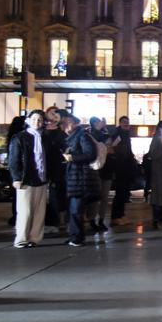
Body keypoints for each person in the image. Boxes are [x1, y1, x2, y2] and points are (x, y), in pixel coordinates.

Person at [8, 110, 50, 248]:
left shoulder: (45, 137)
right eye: (34, 119)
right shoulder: (20, 137)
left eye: (39, 120)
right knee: (25, 210)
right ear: (28, 120)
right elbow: (14, 159)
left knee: (39, 211)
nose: (36, 122)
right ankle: (21, 238)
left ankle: (35, 238)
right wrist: (16, 177)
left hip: (41, 177)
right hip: (26, 179)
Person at [60, 114, 100, 247]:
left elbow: (91, 154)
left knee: (76, 209)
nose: (65, 127)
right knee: (73, 209)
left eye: (67, 123)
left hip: (80, 178)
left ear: (75, 123)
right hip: (74, 178)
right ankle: (74, 235)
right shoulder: (72, 137)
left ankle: (77, 237)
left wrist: (72, 158)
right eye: (63, 124)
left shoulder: (82, 135)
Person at [87, 117, 116, 232]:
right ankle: (92, 219)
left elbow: (111, 149)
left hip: (107, 169)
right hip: (96, 169)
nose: (102, 123)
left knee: (105, 197)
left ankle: (101, 220)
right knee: (96, 196)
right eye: (99, 122)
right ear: (94, 124)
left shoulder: (105, 134)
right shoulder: (90, 135)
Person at [42, 106, 68, 231]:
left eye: (56, 114)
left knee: (57, 194)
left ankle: (58, 220)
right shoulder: (41, 129)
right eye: (51, 113)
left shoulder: (61, 132)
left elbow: (65, 147)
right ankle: (47, 220)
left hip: (58, 167)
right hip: (43, 166)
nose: (54, 116)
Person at [109, 116, 134, 225]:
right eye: (124, 122)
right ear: (119, 123)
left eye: (127, 122)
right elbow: (113, 147)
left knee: (124, 193)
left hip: (126, 167)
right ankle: (116, 216)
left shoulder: (126, 134)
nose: (126, 124)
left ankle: (121, 214)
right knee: (120, 193)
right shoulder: (117, 133)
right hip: (120, 167)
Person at [5, 115, 28, 227]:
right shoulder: (20, 137)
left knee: (16, 195)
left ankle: (16, 215)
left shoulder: (12, 138)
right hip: (23, 171)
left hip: (15, 171)